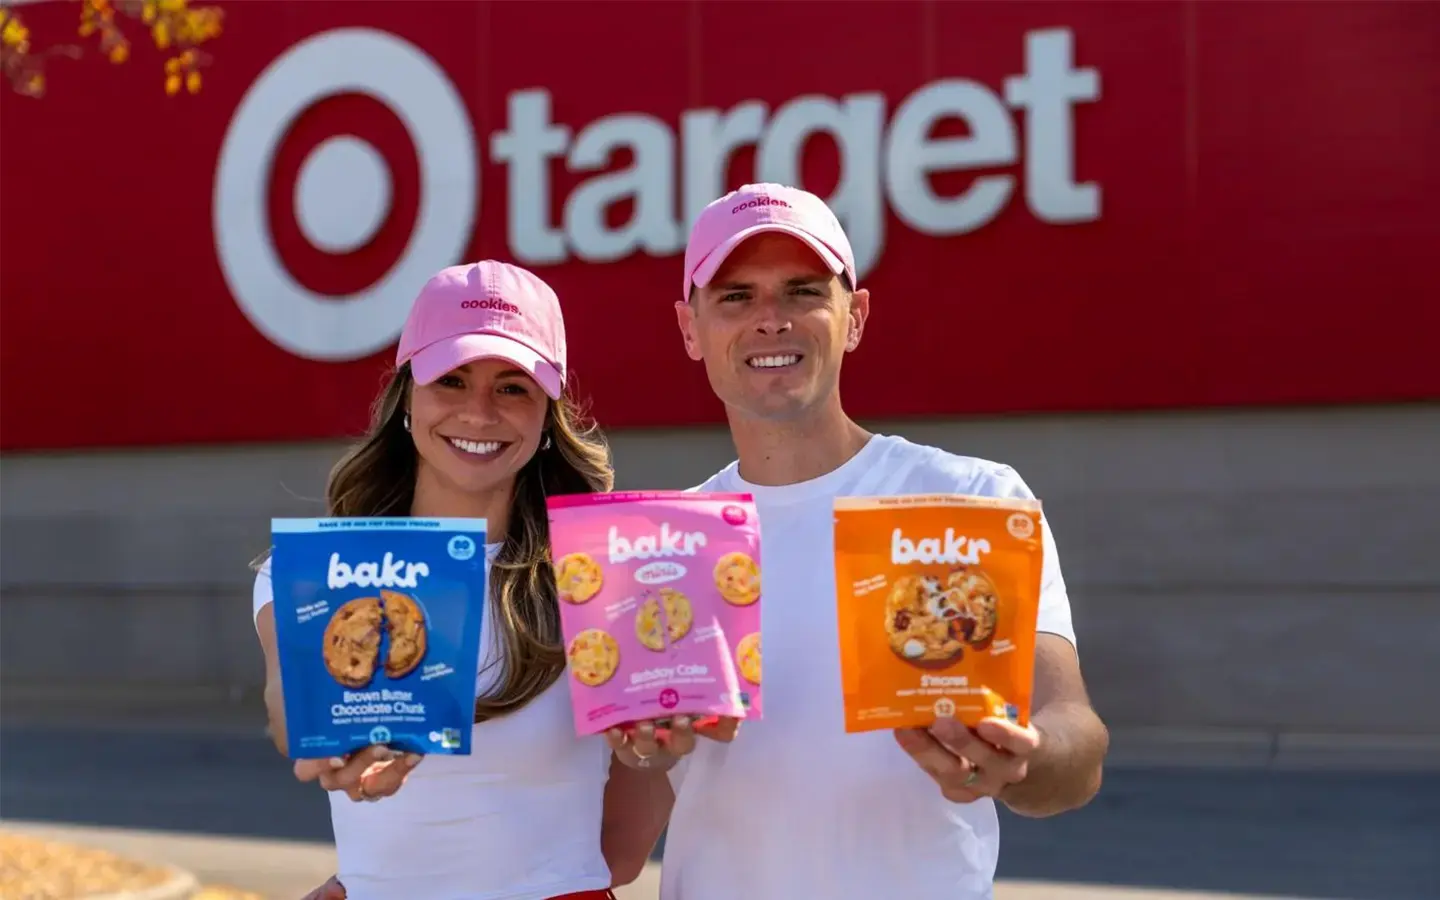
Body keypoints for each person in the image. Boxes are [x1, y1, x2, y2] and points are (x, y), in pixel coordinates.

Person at [604, 183, 1111, 899]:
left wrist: (1024, 760)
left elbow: (1075, 742)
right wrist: (640, 752)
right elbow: (621, 843)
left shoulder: (969, 501)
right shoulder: (663, 550)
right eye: (736, 296)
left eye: (803, 291)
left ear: (856, 317)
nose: (770, 320)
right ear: (690, 328)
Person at [254, 261, 707, 900]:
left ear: (549, 416)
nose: (479, 411)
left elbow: (622, 847)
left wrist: (654, 754)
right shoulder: (315, 572)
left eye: (513, 387)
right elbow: (287, 709)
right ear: (407, 398)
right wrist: (335, 752)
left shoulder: (606, 574)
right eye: (453, 380)